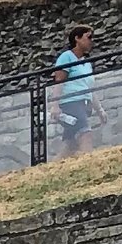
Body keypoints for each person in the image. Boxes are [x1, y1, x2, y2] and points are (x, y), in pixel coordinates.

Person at [50, 25, 97, 153]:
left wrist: (100, 110)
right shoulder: (67, 57)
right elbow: (59, 81)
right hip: (70, 103)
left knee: (70, 145)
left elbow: (89, 88)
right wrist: (55, 105)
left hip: (83, 104)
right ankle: (90, 163)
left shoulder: (86, 63)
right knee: (85, 134)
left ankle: (54, 169)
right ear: (77, 38)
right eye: (89, 37)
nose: (91, 41)